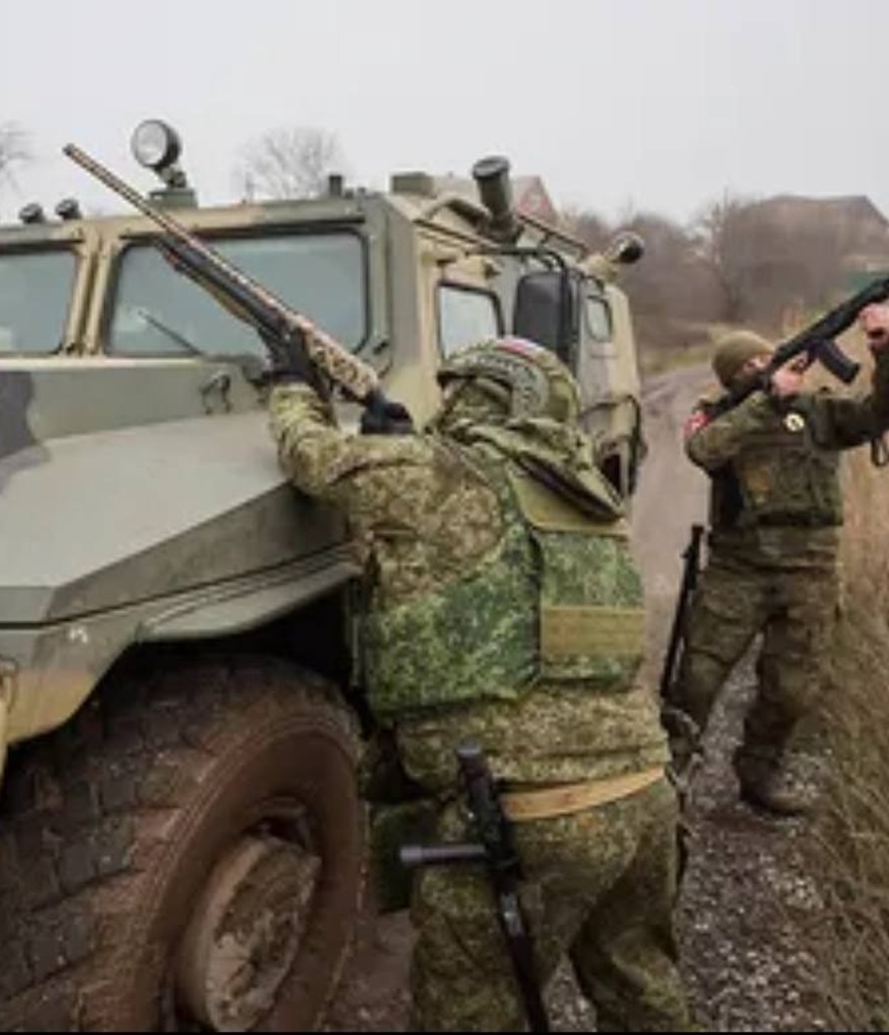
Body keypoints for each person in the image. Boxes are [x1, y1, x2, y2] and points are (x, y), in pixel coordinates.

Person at [267, 337, 690, 1031]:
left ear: (480, 395)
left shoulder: (444, 474)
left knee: (470, 1012)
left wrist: (291, 385)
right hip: (645, 794)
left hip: (533, 810)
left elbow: (314, 458)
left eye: (457, 390)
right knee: (640, 988)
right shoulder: (590, 499)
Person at [669, 303, 889, 817]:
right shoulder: (719, 413)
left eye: (767, 361)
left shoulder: (820, 413)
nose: (764, 370)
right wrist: (764, 401)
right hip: (738, 568)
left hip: (810, 572)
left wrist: (887, 350)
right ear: (734, 379)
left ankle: (758, 775)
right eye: (750, 368)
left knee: (793, 687)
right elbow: (704, 450)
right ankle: (670, 774)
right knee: (698, 677)